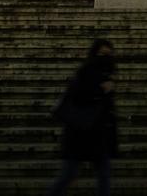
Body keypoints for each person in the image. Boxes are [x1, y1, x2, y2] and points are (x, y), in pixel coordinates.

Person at [48, 39, 117, 196]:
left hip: (98, 135)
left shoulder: (107, 74)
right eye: (102, 54)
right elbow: (78, 98)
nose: (106, 57)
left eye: (108, 54)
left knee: (103, 175)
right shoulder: (86, 72)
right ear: (94, 54)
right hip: (79, 133)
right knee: (69, 175)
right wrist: (102, 90)